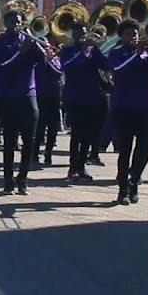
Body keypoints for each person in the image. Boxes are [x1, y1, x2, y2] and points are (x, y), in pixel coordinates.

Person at [108, 20, 148, 205]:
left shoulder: (146, 54)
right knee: (124, 150)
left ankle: (134, 180)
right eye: (128, 34)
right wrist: (136, 54)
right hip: (122, 108)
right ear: (121, 36)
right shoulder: (116, 53)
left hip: (143, 108)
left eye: (134, 34)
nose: (132, 37)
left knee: (144, 149)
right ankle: (123, 189)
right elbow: (117, 70)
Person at [0, 10, 46, 194]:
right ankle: (8, 179)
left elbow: (42, 61)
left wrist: (36, 43)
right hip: (8, 96)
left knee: (29, 140)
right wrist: (21, 52)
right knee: (9, 140)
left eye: (19, 21)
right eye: (13, 22)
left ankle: (22, 179)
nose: (17, 25)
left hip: (29, 95)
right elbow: (3, 68)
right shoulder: (0, 43)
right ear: (5, 23)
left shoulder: (27, 39)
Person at [59, 24, 109, 182]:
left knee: (88, 134)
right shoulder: (67, 50)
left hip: (92, 97)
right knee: (76, 134)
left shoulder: (93, 50)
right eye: (78, 33)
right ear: (73, 35)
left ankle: (81, 167)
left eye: (84, 33)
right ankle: (73, 167)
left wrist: (95, 48)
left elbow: (106, 65)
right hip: (74, 98)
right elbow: (66, 67)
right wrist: (82, 53)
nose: (82, 36)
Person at [33, 45, 63, 167]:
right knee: (39, 127)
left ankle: (48, 152)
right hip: (40, 96)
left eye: (48, 49)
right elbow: (36, 72)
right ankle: (34, 152)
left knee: (53, 127)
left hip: (53, 97)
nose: (47, 51)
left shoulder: (56, 61)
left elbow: (58, 72)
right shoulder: (37, 62)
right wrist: (44, 60)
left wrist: (50, 61)